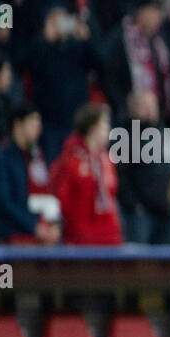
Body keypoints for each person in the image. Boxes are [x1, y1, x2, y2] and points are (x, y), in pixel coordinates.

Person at [0, 103, 60, 245]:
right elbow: (3, 202)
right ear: (18, 124)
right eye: (33, 122)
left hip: (34, 237)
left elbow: (44, 193)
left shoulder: (33, 156)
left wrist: (53, 223)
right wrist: (33, 226)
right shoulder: (2, 157)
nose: (38, 129)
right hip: (12, 239)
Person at [48, 103, 122, 245]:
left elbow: (111, 199)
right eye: (105, 125)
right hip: (81, 240)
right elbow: (62, 200)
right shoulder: (71, 160)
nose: (109, 130)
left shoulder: (107, 161)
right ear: (93, 128)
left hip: (109, 238)